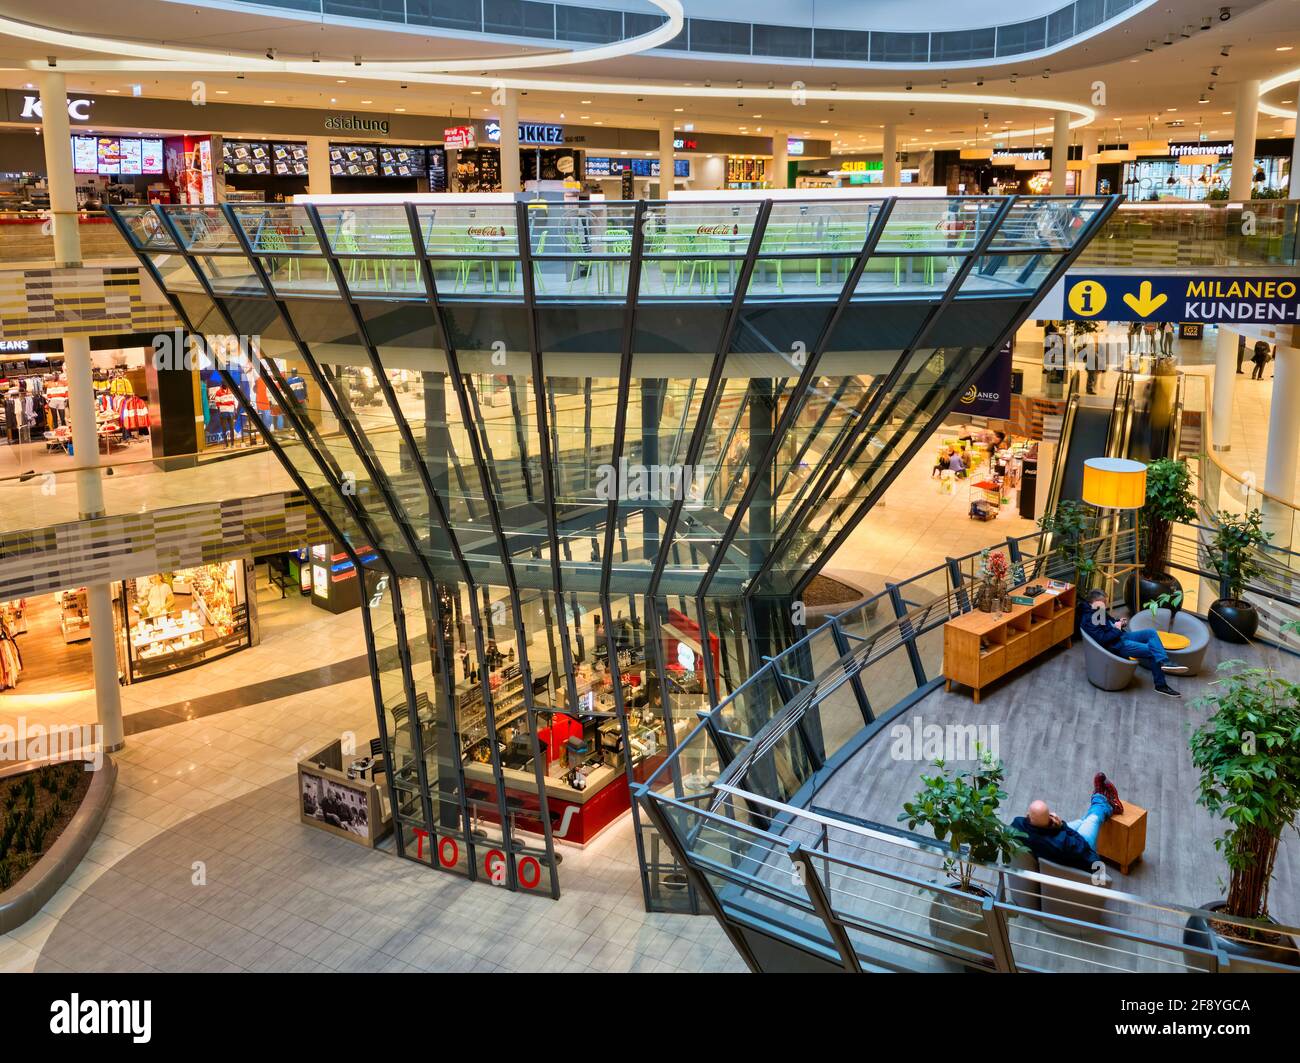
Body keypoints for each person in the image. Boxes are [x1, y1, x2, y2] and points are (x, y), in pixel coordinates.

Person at [1080, 588, 1187, 697]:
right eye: (1103, 602)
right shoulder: (1089, 619)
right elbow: (1102, 639)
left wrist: (1120, 623)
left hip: (1121, 637)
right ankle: (1161, 685)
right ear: (1092, 602)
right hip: (1117, 646)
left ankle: (1165, 662)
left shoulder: (1097, 610)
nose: (1105, 605)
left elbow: (1111, 622)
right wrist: (1116, 629)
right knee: (1152, 650)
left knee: (1150, 633)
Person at [1011, 773, 1124, 872]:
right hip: (1078, 849)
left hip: (1050, 846)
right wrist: (1061, 826)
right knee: (1093, 819)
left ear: (1028, 816)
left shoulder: (1017, 825)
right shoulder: (1063, 843)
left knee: (1082, 822)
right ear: (1050, 822)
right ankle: (1103, 801)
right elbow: (1081, 844)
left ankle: (1102, 802)